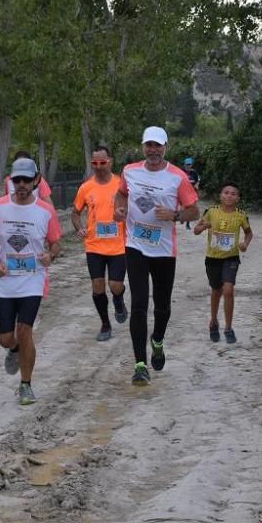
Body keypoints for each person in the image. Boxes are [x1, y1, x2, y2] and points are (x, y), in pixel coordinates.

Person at [114, 126, 200, 385]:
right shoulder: (130, 171)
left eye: (158, 146)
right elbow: (121, 193)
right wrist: (119, 208)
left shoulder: (177, 177)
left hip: (163, 249)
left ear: (165, 148)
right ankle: (140, 364)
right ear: (143, 146)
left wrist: (174, 215)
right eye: (148, 145)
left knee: (162, 305)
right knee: (139, 303)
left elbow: (194, 211)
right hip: (135, 244)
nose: (153, 150)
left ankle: (158, 341)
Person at [0, 157, 62, 405]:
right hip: (5, 281)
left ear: (36, 180)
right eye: (17, 179)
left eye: (26, 180)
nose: (21, 184)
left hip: (33, 280)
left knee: (25, 330)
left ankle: (26, 385)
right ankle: (14, 349)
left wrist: (50, 255)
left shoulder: (45, 211)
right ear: (11, 180)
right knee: (5, 338)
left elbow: (56, 243)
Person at [71, 145, 128, 342]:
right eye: (94, 163)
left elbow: (132, 210)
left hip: (118, 245)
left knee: (115, 285)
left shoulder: (121, 185)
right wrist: (79, 228)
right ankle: (105, 323)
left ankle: (119, 299)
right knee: (97, 285)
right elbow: (75, 213)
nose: (98, 166)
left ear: (110, 161)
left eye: (102, 162)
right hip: (94, 245)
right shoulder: (86, 187)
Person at [193, 181, 253, 344]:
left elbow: (249, 233)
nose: (229, 195)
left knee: (228, 290)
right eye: (226, 192)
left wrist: (245, 244)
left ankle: (228, 327)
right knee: (216, 290)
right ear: (220, 195)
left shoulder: (241, 215)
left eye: (233, 193)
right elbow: (196, 230)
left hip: (231, 258)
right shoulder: (211, 211)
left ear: (238, 198)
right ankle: (213, 321)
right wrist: (204, 226)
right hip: (212, 258)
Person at [182, 158, 201, 229]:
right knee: (183, 207)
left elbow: (197, 181)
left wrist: (197, 186)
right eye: (187, 164)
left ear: (191, 165)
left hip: (191, 192)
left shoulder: (194, 173)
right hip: (182, 192)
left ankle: (187, 223)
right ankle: (182, 217)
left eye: (189, 164)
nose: (188, 166)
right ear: (184, 164)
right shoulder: (181, 172)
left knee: (191, 208)